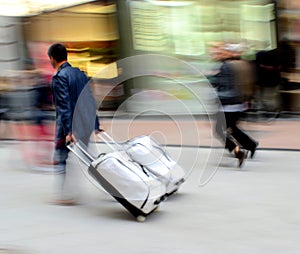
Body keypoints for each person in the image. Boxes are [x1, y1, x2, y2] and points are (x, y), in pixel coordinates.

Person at [48, 43, 100, 205]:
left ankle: (65, 195)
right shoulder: (80, 74)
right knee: (89, 158)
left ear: (52, 58)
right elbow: (90, 99)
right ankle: (115, 184)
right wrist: (96, 123)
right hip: (85, 122)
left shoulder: (59, 77)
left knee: (61, 157)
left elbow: (64, 106)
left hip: (69, 127)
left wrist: (69, 131)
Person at [210, 43, 259, 167]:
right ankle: (250, 145)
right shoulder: (243, 64)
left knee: (220, 130)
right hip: (238, 103)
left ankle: (238, 151)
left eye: (220, 52)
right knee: (232, 129)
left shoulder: (226, 66)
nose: (216, 54)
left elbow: (222, 84)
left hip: (228, 104)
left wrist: (211, 78)